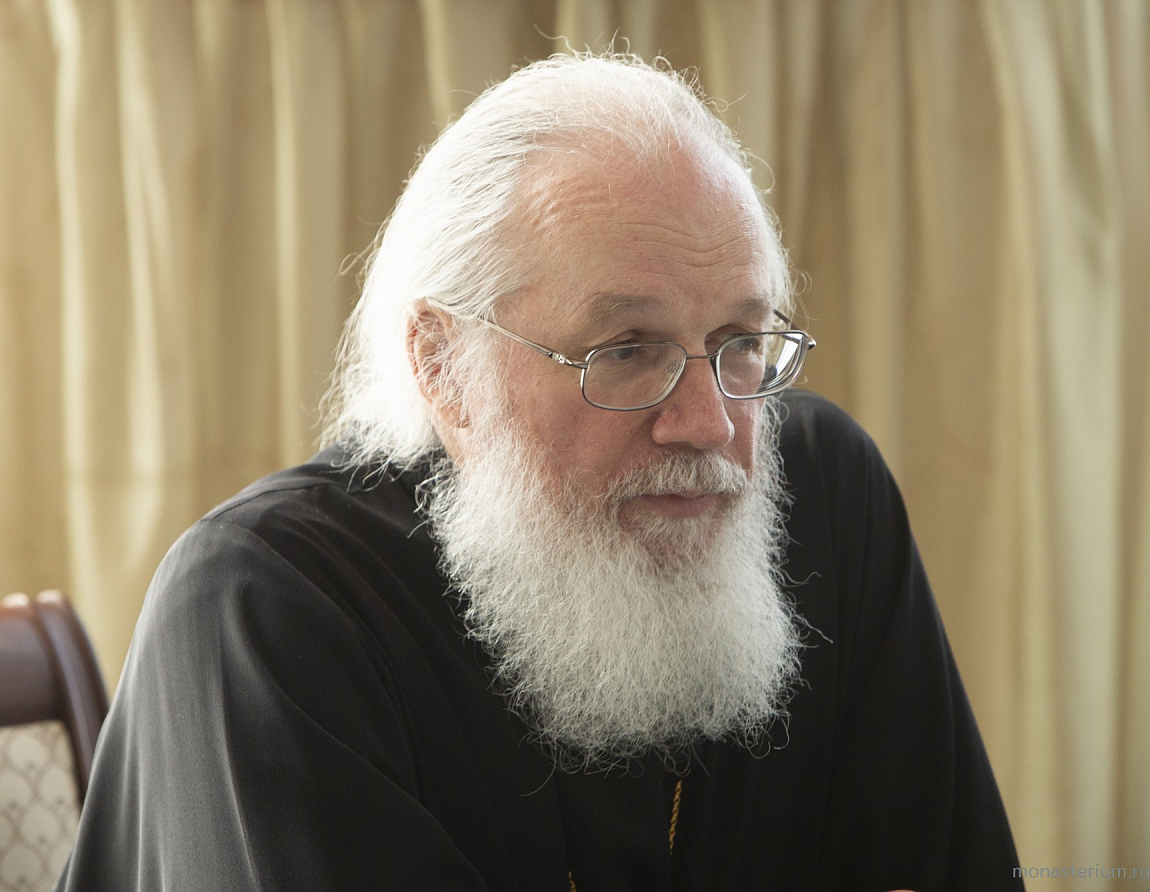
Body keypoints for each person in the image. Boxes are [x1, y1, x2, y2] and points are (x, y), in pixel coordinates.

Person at [56, 52, 1021, 891]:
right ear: (445, 367)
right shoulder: (265, 602)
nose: (709, 423)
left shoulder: (823, 493)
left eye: (739, 342)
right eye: (627, 349)